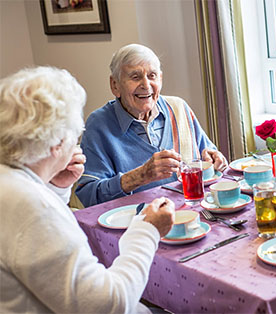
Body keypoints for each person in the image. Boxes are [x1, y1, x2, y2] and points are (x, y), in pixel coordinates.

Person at [0, 66, 175, 313]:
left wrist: (57, 188)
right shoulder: (33, 208)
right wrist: (146, 231)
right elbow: (109, 305)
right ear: (57, 144)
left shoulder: (12, 183)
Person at [76, 43, 227, 207]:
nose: (146, 85)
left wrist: (215, 159)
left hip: (192, 217)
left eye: (152, 75)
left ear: (160, 79)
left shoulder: (179, 108)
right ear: (115, 85)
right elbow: (89, 195)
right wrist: (140, 176)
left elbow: (208, 157)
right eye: (135, 77)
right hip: (137, 226)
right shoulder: (99, 125)